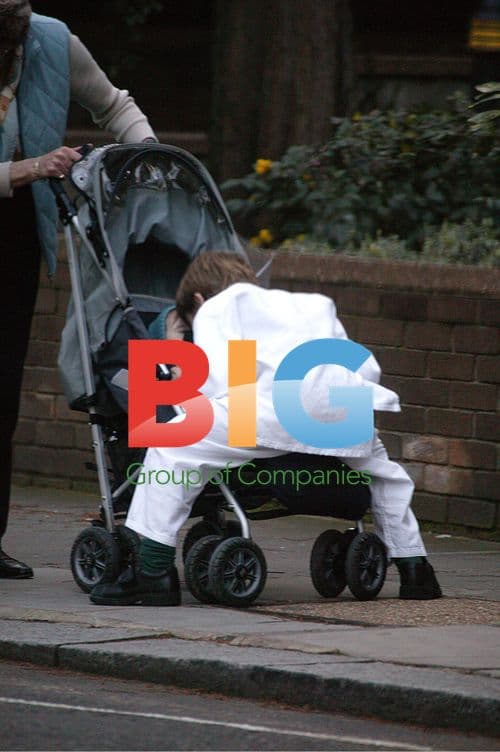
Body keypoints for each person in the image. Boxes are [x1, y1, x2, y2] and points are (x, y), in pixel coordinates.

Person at [90, 251, 443, 607]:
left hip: (275, 409)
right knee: (385, 475)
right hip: (343, 406)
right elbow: (357, 363)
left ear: (198, 299)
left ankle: (152, 572)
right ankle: (416, 569)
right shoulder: (314, 304)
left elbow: (221, 380)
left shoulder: (218, 305)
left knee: (172, 444)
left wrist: (181, 391)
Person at [0, 1, 156, 579]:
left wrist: (152, 159)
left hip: (15, 234)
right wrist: (30, 169)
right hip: (18, 187)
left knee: (3, 393)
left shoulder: (52, 41)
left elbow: (114, 106)